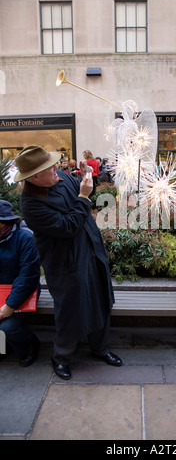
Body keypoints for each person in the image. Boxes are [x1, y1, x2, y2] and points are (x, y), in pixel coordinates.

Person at [14, 145, 122, 380]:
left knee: (101, 299)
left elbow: (82, 202)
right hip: (65, 263)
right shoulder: (31, 204)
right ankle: (61, 357)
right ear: (33, 177)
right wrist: (83, 196)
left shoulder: (60, 177)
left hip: (91, 250)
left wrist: (86, 184)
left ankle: (101, 349)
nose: (56, 168)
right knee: (69, 309)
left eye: (53, 164)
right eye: (48, 168)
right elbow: (67, 226)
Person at [0, 200, 40, 366]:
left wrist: (10, 304)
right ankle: (3, 349)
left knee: (7, 327)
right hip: (1, 293)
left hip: (23, 293)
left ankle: (29, 346)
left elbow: (28, 276)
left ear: (3, 223)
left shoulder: (25, 238)